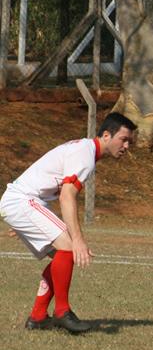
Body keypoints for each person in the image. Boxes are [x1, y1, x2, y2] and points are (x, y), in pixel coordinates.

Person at [0, 112, 136, 333]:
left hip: (23, 203)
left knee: (62, 257)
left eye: (129, 141)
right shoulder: (85, 154)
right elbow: (66, 196)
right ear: (106, 135)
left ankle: (38, 317)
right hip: (22, 201)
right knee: (68, 247)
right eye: (124, 139)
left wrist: (28, 219)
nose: (127, 146)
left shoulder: (85, 150)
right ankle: (62, 312)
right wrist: (78, 240)